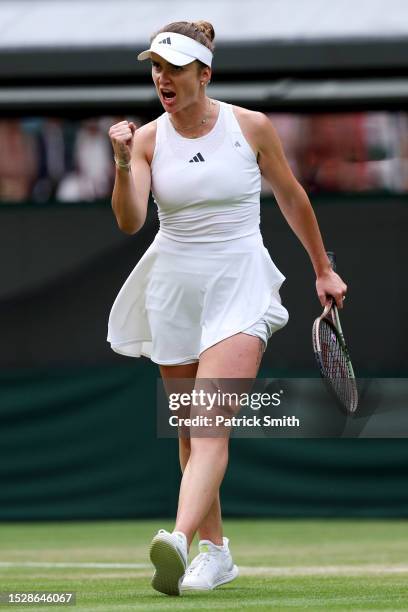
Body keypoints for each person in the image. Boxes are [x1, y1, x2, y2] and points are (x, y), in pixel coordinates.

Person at [107, 20, 347, 597]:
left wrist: (322, 267)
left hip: (240, 280)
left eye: (173, 68)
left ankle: (180, 538)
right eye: (155, 68)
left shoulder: (251, 127)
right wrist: (119, 162)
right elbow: (130, 220)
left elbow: (292, 195)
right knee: (190, 430)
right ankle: (215, 553)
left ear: (203, 75)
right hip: (174, 285)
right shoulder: (145, 140)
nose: (161, 78)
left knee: (210, 422)